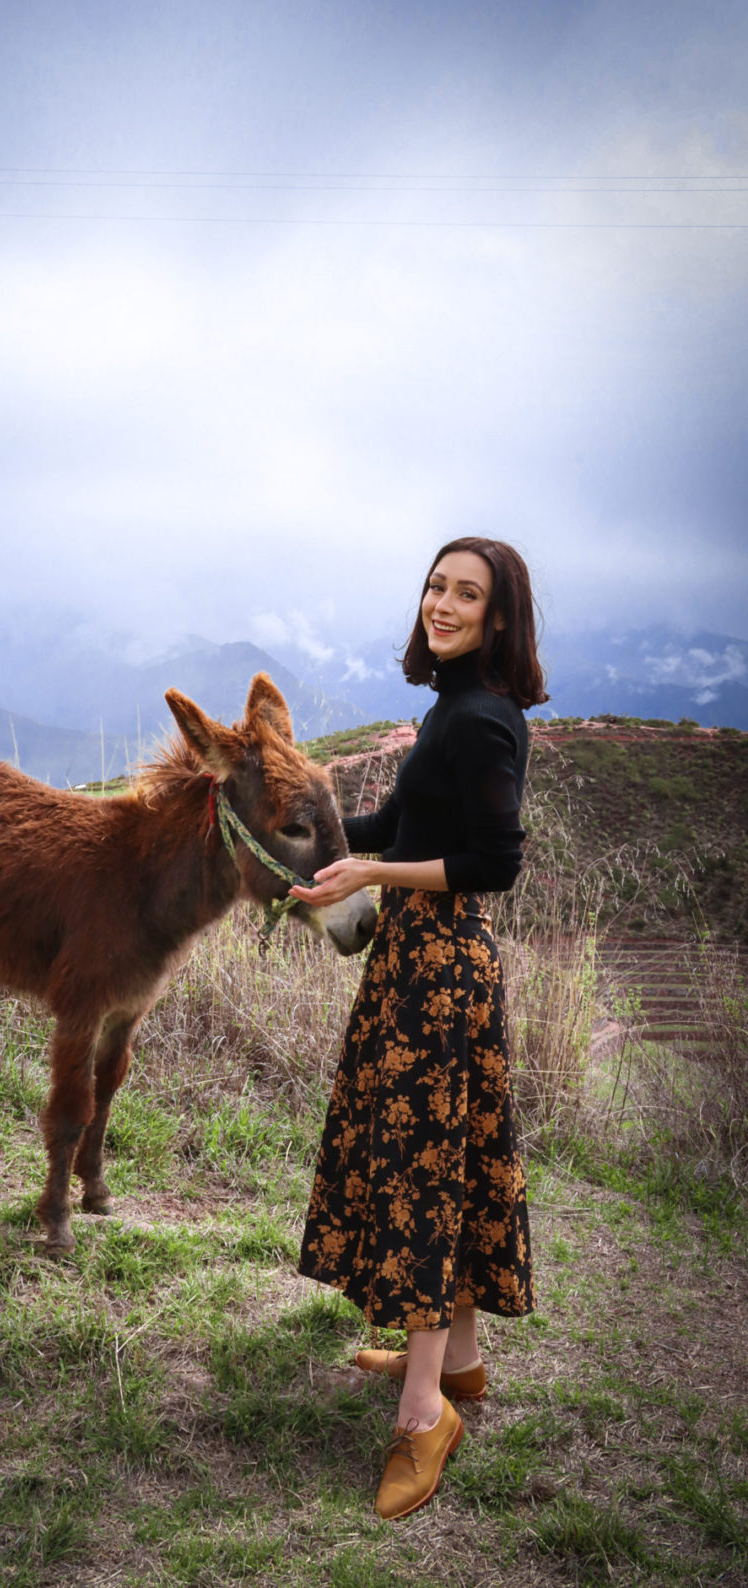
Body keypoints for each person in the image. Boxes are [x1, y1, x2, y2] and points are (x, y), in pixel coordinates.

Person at [289, 536, 547, 1522]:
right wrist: (305, 834)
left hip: (441, 974)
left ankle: (423, 1413)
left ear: (498, 617)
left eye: (466, 593)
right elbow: (399, 822)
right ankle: (463, 1359)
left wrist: (369, 878)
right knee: (451, 1164)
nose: (441, 602)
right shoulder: (451, 707)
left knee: (425, 1176)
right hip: (416, 965)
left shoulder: (485, 723)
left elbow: (492, 862)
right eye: (436, 585)